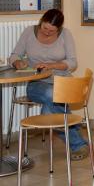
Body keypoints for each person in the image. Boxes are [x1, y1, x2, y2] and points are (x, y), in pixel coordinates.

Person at [9, 9, 89, 161]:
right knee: (50, 94)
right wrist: (18, 62)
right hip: (37, 83)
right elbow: (14, 55)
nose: (47, 33)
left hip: (62, 81)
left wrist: (52, 65)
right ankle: (77, 141)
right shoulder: (28, 32)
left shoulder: (66, 34)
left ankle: (53, 118)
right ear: (41, 21)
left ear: (58, 29)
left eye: (52, 31)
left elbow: (72, 63)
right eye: (45, 28)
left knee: (49, 106)